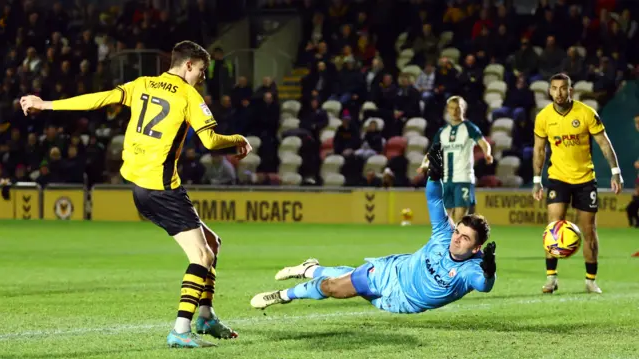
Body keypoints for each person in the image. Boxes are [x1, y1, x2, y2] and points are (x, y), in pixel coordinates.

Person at [19, 40, 252, 348]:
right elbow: (209, 141)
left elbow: (99, 99)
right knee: (202, 255)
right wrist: (238, 140)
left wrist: (47, 104)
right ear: (189, 65)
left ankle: (205, 315)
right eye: (203, 71)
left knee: (211, 242)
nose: (203, 78)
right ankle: (181, 330)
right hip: (162, 188)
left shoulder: (142, 84)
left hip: (139, 187)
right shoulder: (188, 96)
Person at [250, 143, 497, 313]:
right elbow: (434, 200)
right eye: (458, 232)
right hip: (388, 274)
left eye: (465, 238)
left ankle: (310, 268)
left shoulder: (471, 269)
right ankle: (283, 295)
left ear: (477, 248)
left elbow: (483, 285)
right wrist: (434, 176)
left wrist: (488, 273)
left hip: (400, 303)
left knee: (344, 275)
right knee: (332, 287)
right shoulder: (445, 234)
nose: (456, 239)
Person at [532, 73, 623, 294]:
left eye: (563, 88)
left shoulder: (586, 113)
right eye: (555, 88)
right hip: (558, 178)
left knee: (589, 230)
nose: (559, 92)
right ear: (550, 91)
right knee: (553, 227)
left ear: (570, 89)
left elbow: (603, 143)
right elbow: (539, 150)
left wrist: (616, 172)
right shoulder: (543, 117)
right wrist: (536, 180)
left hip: (585, 180)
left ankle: (591, 280)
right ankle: (551, 278)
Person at [419, 96, 493, 223]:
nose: (454, 112)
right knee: (446, 219)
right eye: (452, 108)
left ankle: (459, 241)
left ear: (463, 109)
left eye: (458, 108)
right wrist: (424, 164)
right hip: (446, 179)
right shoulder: (443, 131)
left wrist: (487, 154)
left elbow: (483, 143)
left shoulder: (469, 127)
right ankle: (450, 242)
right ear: (447, 110)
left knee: (460, 217)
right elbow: (432, 151)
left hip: (463, 178)